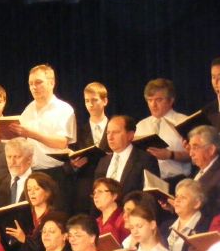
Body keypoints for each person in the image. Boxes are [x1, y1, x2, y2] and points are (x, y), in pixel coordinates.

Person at [11, 64, 77, 212]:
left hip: (57, 173)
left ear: (51, 83)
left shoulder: (63, 109)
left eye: (38, 82)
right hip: (33, 173)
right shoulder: (28, 110)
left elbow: (62, 142)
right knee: (35, 218)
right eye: (30, 84)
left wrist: (32, 134)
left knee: (57, 216)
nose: (34, 87)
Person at [135, 78, 191, 184]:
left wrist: (170, 155)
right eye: (150, 100)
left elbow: (195, 154)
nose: (153, 105)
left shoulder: (184, 122)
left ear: (171, 100)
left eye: (159, 100)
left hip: (177, 181)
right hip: (148, 182)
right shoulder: (141, 126)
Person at [67, 82, 111, 213]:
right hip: (85, 189)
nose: (90, 105)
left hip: (110, 185)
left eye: (94, 100)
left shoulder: (114, 127)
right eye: (87, 101)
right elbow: (68, 163)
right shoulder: (78, 130)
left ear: (105, 101)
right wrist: (74, 164)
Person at [94, 115, 160, 199]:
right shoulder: (103, 161)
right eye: (108, 133)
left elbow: (150, 197)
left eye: (116, 132)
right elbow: (96, 192)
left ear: (130, 135)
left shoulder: (146, 160)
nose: (110, 137)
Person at [5, 172, 59, 251]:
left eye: (36, 189)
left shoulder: (56, 217)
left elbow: (48, 246)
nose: (31, 193)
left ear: (47, 192)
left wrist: (24, 239)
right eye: (29, 189)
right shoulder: (23, 214)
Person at [163, 178, 213, 251]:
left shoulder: (207, 228)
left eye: (183, 198)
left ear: (197, 204)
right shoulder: (165, 225)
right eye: (177, 196)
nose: (177, 200)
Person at [187, 125, 220, 216]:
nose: (191, 154)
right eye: (190, 148)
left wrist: (188, 206)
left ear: (211, 149)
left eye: (195, 148)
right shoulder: (199, 171)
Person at [92, 177, 129, 244]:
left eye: (100, 192)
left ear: (114, 196)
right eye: (94, 193)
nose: (95, 196)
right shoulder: (95, 223)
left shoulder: (125, 219)